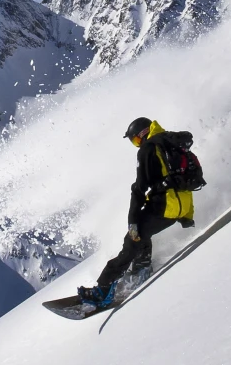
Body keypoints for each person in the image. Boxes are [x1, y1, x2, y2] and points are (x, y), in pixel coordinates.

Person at [78, 117, 197, 306]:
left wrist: (132, 219)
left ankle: (103, 292)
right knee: (144, 231)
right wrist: (186, 215)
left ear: (142, 134)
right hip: (181, 206)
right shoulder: (170, 141)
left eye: (134, 140)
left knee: (132, 239)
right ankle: (141, 269)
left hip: (166, 206)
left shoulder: (148, 149)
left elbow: (140, 188)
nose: (136, 145)